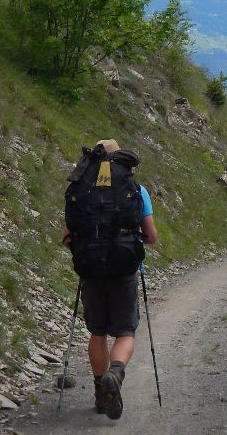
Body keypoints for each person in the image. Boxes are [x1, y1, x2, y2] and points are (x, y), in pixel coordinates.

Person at [61, 139, 158, 420]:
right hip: (124, 267)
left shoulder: (82, 187)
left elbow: (66, 236)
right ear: (119, 158)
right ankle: (115, 375)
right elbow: (151, 236)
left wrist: (86, 248)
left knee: (98, 332)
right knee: (125, 331)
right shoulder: (136, 189)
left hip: (90, 269)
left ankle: (100, 393)